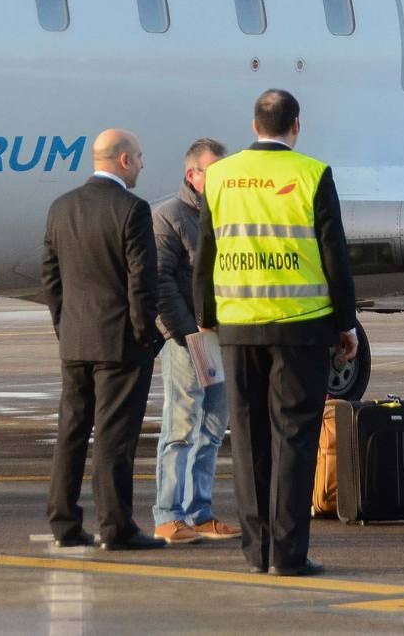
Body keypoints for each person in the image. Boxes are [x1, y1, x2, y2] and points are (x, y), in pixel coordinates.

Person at [195, 89, 359, 577]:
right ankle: (287, 555)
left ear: (253, 126)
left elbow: (205, 251)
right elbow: (336, 256)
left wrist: (206, 316)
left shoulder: (220, 176)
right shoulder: (311, 173)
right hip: (300, 329)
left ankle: (256, 552)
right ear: (296, 126)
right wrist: (344, 322)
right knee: (295, 439)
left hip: (238, 328)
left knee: (246, 441)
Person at [41, 129, 163, 551]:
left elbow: (51, 279)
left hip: (75, 340)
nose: (144, 165)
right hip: (119, 343)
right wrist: (146, 335)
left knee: (71, 433)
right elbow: (142, 282)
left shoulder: (61, 208)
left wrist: (66, 327)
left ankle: (64, 522)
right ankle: (115, 526)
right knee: (114, 438)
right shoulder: (132, 210)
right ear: (124, 160)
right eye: (141, 157)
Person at [150, 137, 240, 546]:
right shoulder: (169, 216)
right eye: (215, 171)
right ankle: (168, 515)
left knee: (213, 428)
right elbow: (160, 282)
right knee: (181, 428)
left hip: (223, 336)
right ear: (193, 174)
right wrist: (187, 335)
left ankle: (199, 512)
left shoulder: (229, 215)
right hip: (190, 339)